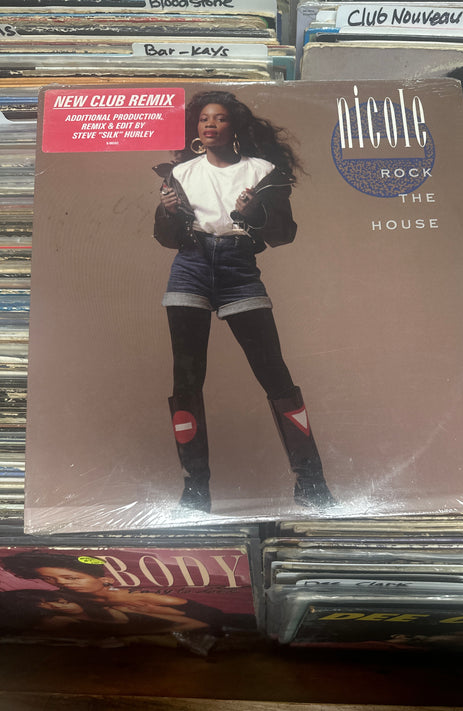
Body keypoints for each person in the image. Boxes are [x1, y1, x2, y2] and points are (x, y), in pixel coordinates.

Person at [153, 90, 335, 513]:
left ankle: (312, 484)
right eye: (203, 119)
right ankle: (195, 491)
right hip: (191, 266)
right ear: (196, 128)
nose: (210, 125)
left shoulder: (262, 171)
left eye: (219, 118)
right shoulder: (180, 172)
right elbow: (166, 238)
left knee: (275, 376)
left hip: (238, 270)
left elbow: (283, 234)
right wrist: (168, 212)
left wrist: (254, 213)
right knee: (186, 382)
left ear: (234, 126)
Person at [0, 551, 216, 632]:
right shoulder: (60, 600)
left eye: (72, 578)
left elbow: (203, 619)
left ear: (105, 579)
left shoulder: (144, 598)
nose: (63, 584)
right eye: (51, 579)